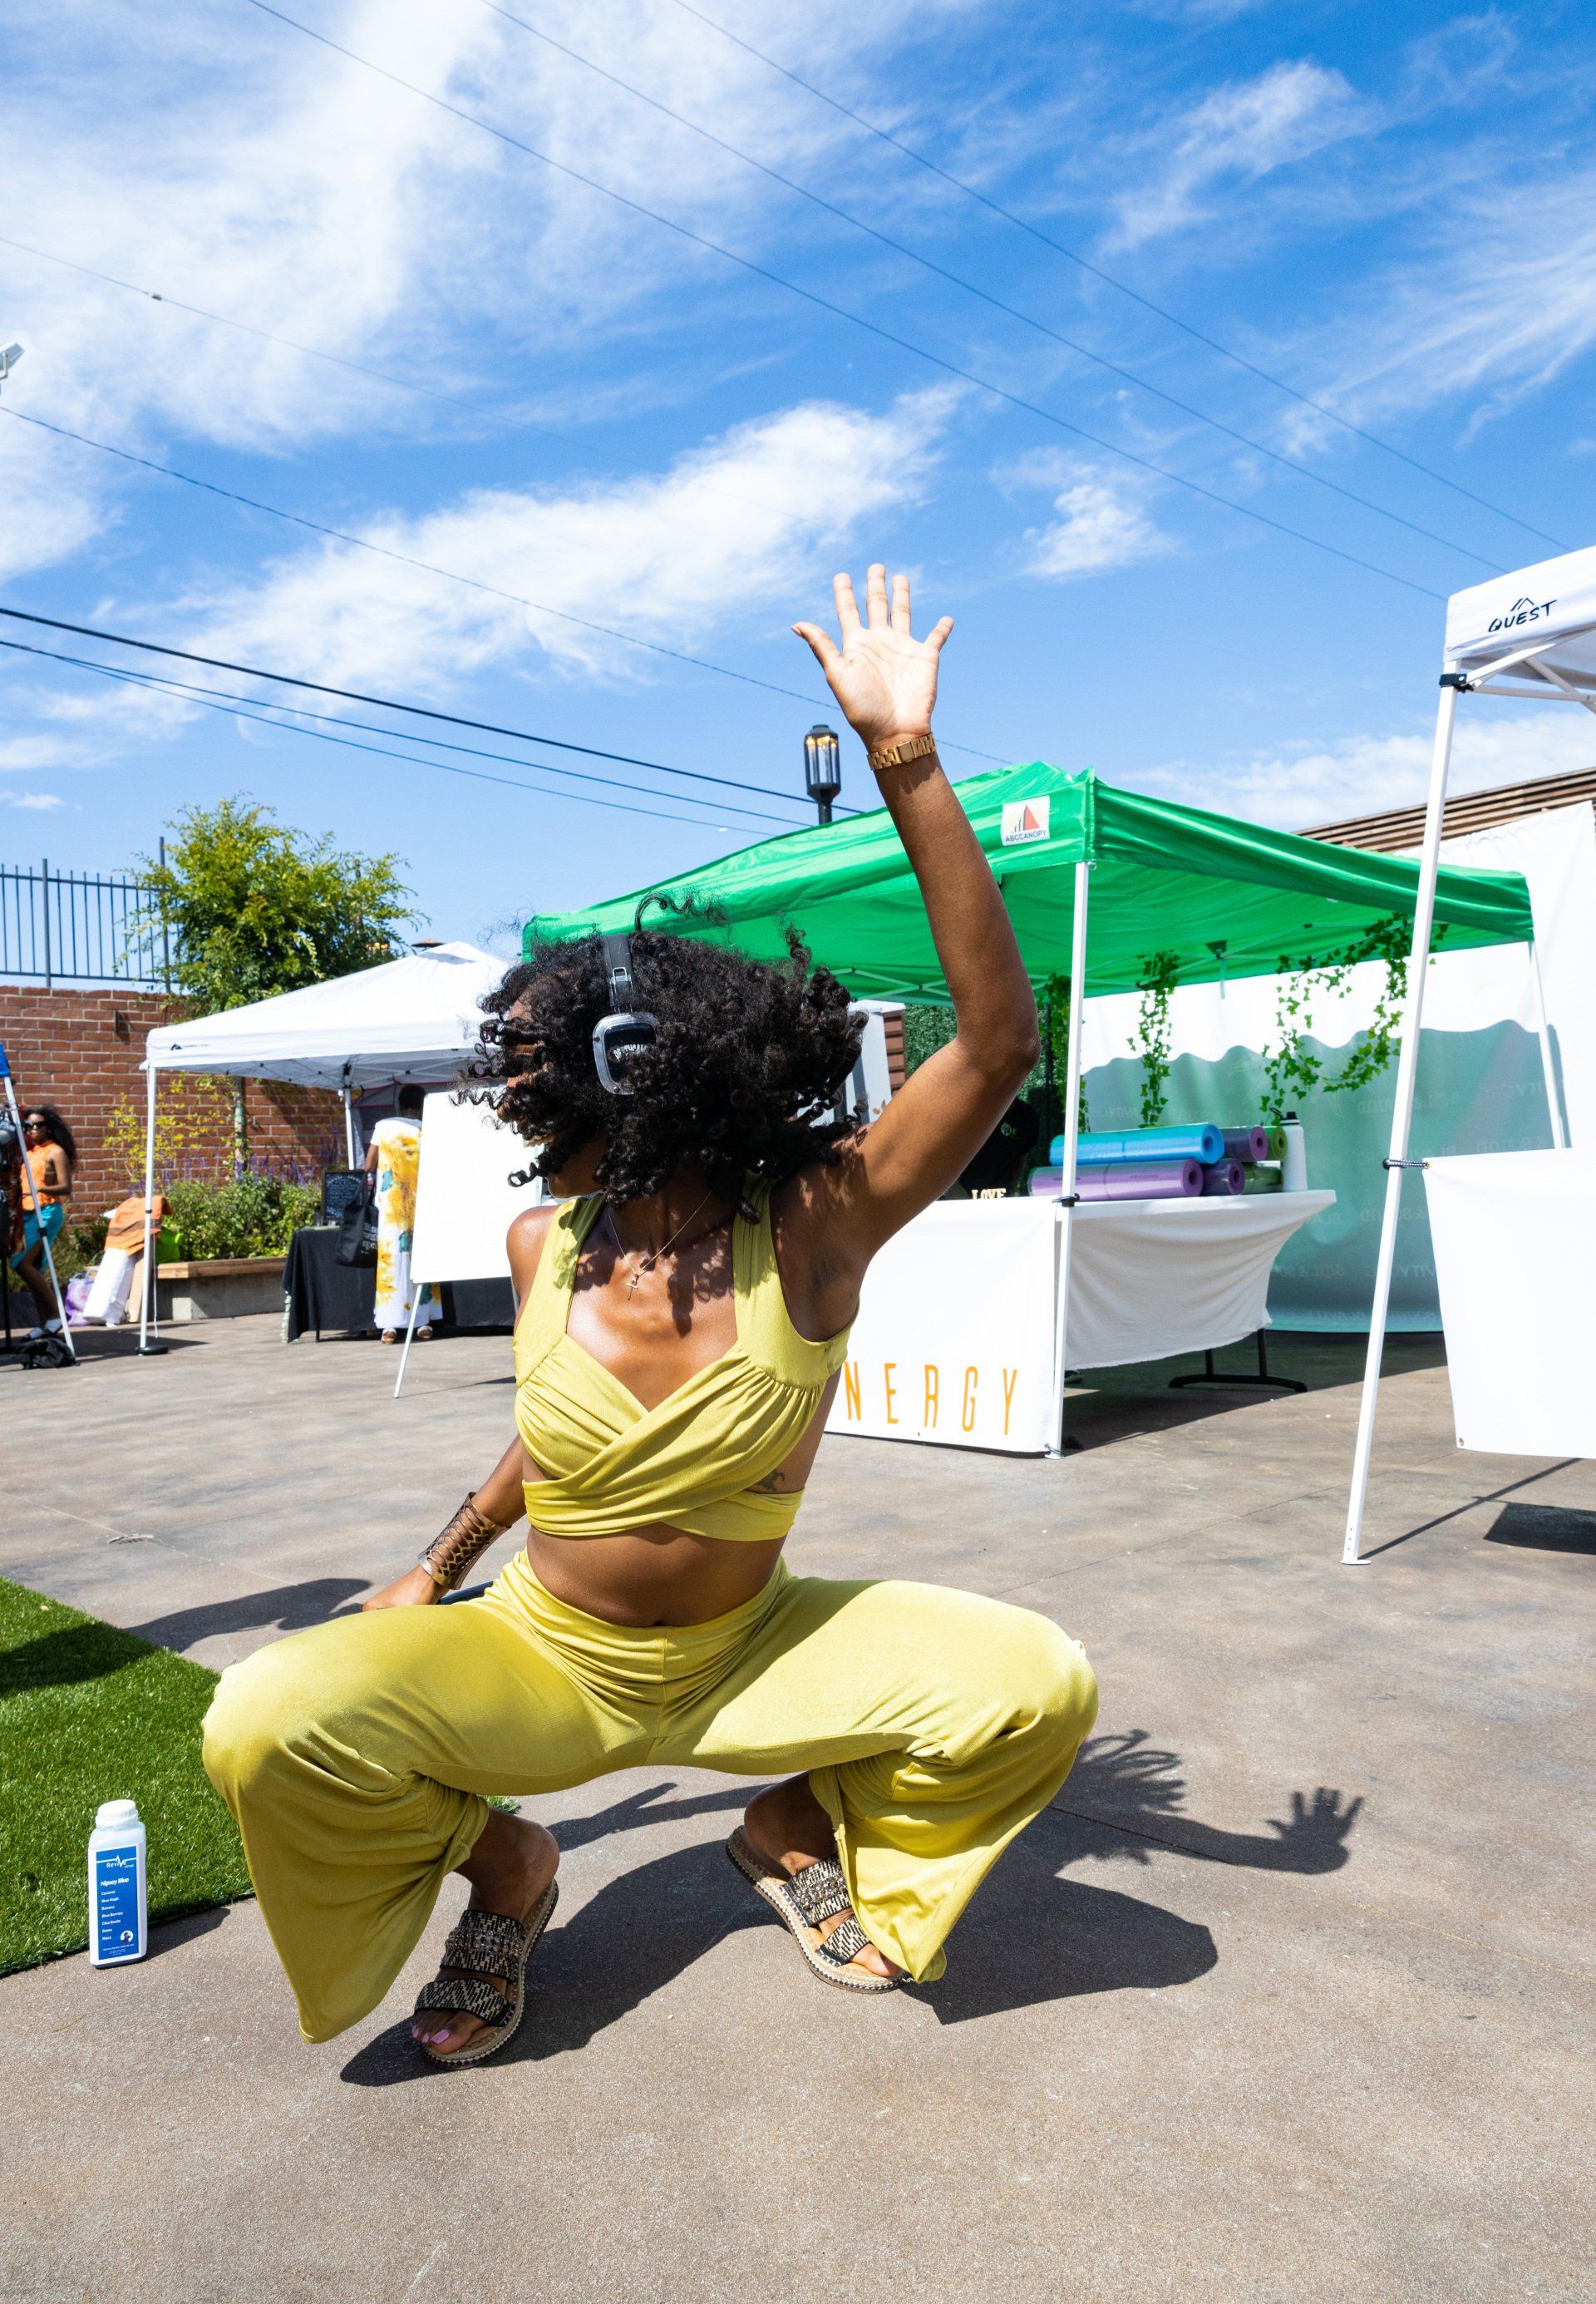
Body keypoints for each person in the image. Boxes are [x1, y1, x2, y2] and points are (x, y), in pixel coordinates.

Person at [203, 565, 1098, 2065]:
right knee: (266, 1716)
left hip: (753, 1653)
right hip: (547, 1660)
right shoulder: (541, 1236)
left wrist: (905, 760)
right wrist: (435, 1565)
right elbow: (551, 1447)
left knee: (1032, 1685)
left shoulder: (815, 1223)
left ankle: (787, 1824)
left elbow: (1000, 1041)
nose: (513, 1094)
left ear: (640, 1075)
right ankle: (512, 1872)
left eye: (538, 1071)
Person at [363, 1084, 437, 1344]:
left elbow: (368, 1165)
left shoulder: (383, 1126)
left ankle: (390, 1326)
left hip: (392, 1206)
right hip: (421, 1203)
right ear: (421, 1106)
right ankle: (423, 1323)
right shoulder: (426, 1129)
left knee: (391, 1261)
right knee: (421, 1260)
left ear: (399, 1104)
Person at [10, 1103, 75, 1339]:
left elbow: (66, 1187)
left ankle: (57, 1316)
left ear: (49, 1127)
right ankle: (45, 1323)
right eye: (29, 1126)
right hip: (27, 1212)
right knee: (34, 1268)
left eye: (39, 1125)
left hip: (47, 1211)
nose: (34, 1129)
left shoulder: (55, 1151)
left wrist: (41, 1188)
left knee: (21, 1264)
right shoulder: (29, 1152)